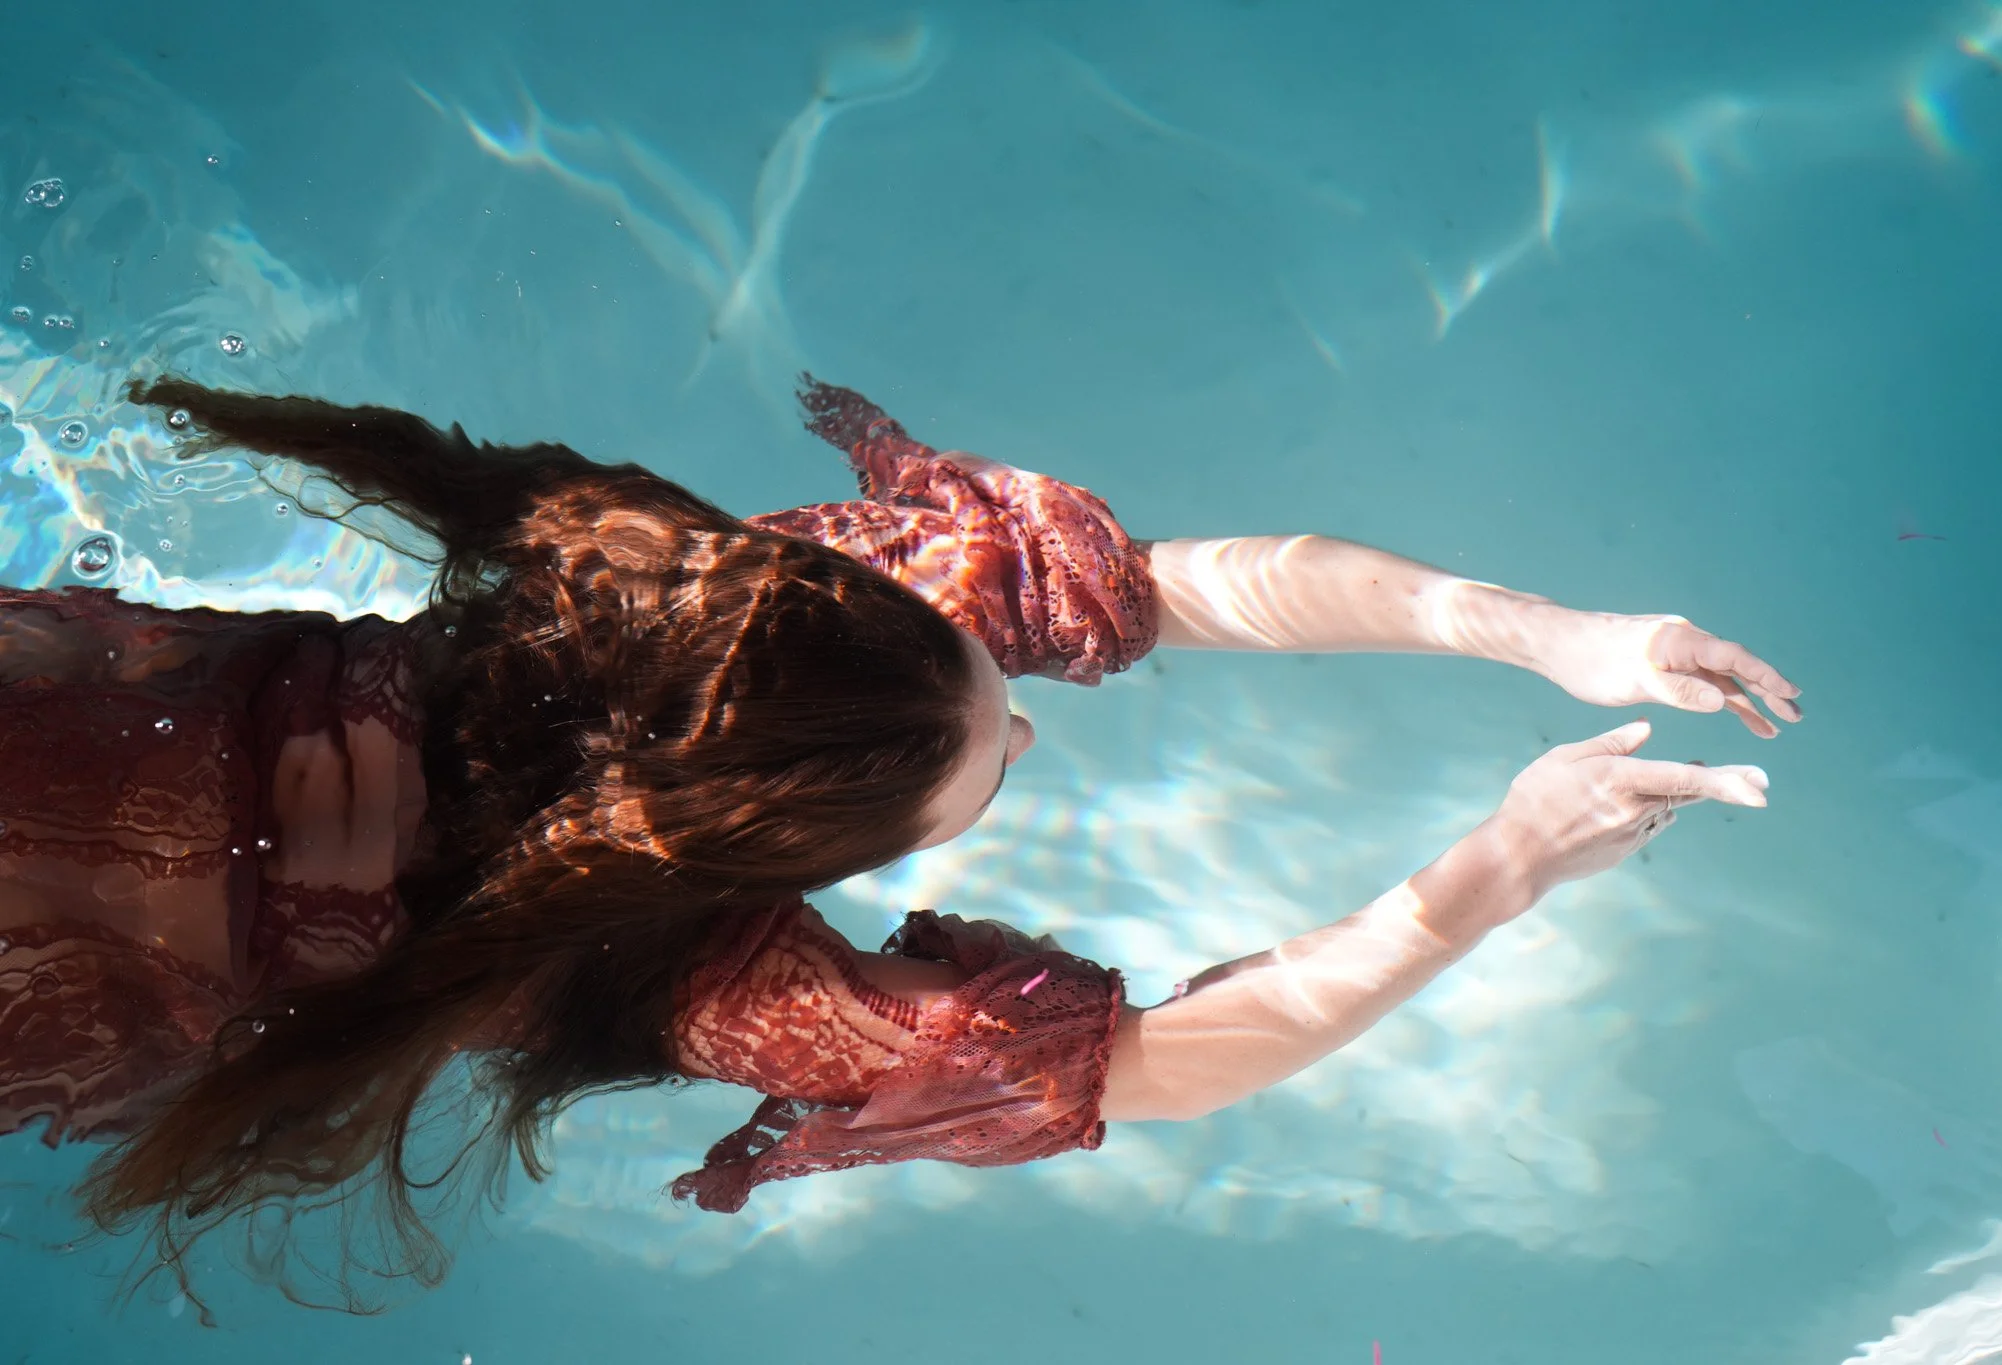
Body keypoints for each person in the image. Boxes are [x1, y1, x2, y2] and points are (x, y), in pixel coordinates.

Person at [0, 376, 1796, 1298]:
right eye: (997, 762)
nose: (1022, 717)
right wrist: (1505, 867)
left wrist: (1560, 636)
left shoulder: (685, 623)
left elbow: (1174, 590)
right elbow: (1160, 1069)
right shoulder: (697, 969)